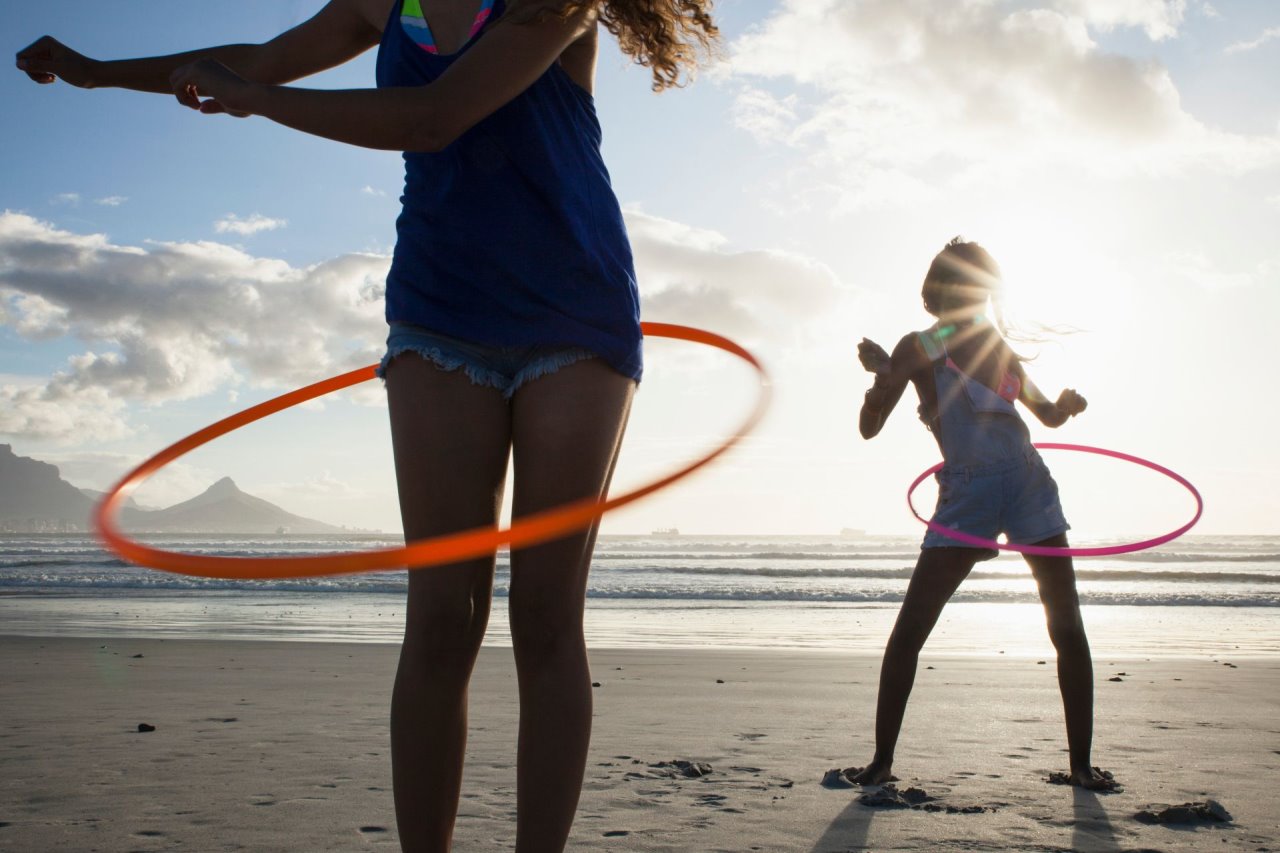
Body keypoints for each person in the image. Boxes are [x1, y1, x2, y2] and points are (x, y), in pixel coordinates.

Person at [16, 1, 718, 848]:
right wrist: (96, 71)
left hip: (574, 308)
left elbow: (432, 117)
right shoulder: (380, 4)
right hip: (440, 306)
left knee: (543, 613)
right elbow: (256, 58)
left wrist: (254, 99)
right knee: (442, 614)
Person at [853, 237, 1115, 791]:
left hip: (1028, 482)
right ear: (940, 289)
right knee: (911, 630)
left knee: (1066, 625)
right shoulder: (922, 344)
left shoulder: (997, 345)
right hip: (969, 492)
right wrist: (881, 384)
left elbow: (1046, 416)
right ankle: (880, 763)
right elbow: (869, 428)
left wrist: (1066, 406)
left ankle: (1081, 767)